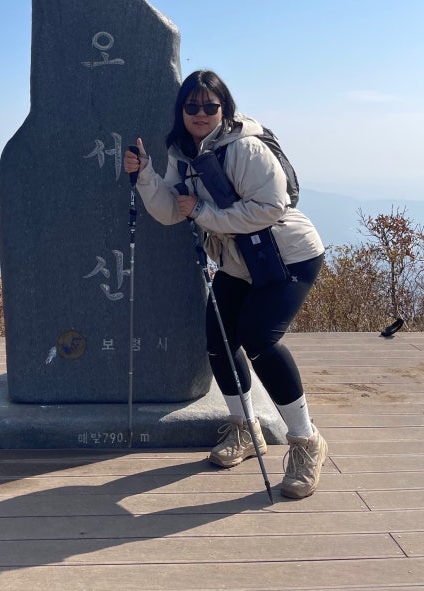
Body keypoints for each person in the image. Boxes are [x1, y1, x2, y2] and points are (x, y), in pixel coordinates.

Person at [123, 69, 328, 499]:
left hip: (288, 254)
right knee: (219, 340)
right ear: (181, 110)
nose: (200, 113)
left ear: (224, 108)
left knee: (260, 340)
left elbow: (271, 206)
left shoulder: (245, 147)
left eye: (210, 105)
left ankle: (307, 441)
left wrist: (204, 213)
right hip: (240, 261)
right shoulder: (183, 153)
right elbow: (171, 210)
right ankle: (245, 428)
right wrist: (145, 175)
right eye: (192, 105)